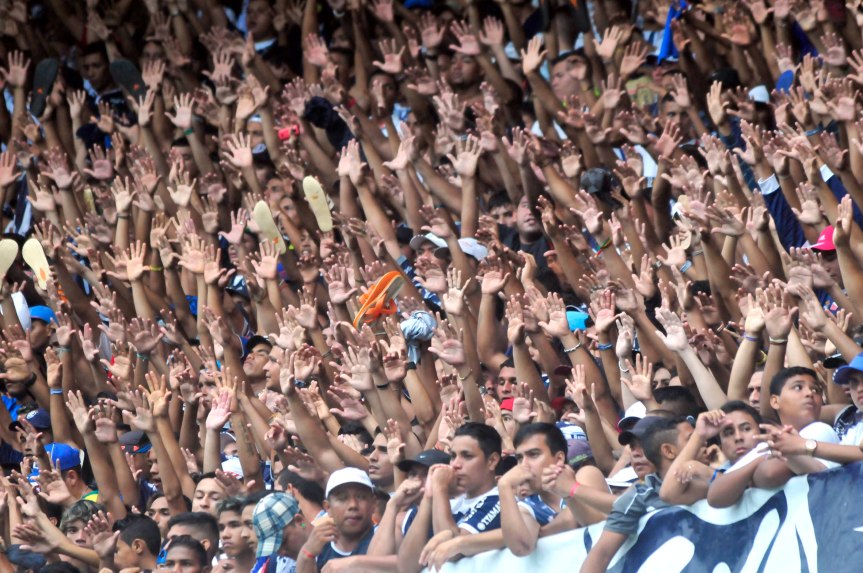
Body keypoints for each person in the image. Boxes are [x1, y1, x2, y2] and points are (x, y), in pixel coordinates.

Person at [580, 416, 694, 573]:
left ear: (668, 448)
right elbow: (602, 554)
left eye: (645, 445)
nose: (636, 453)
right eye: (632, 447)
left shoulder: (713, 474)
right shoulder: (638, 494)